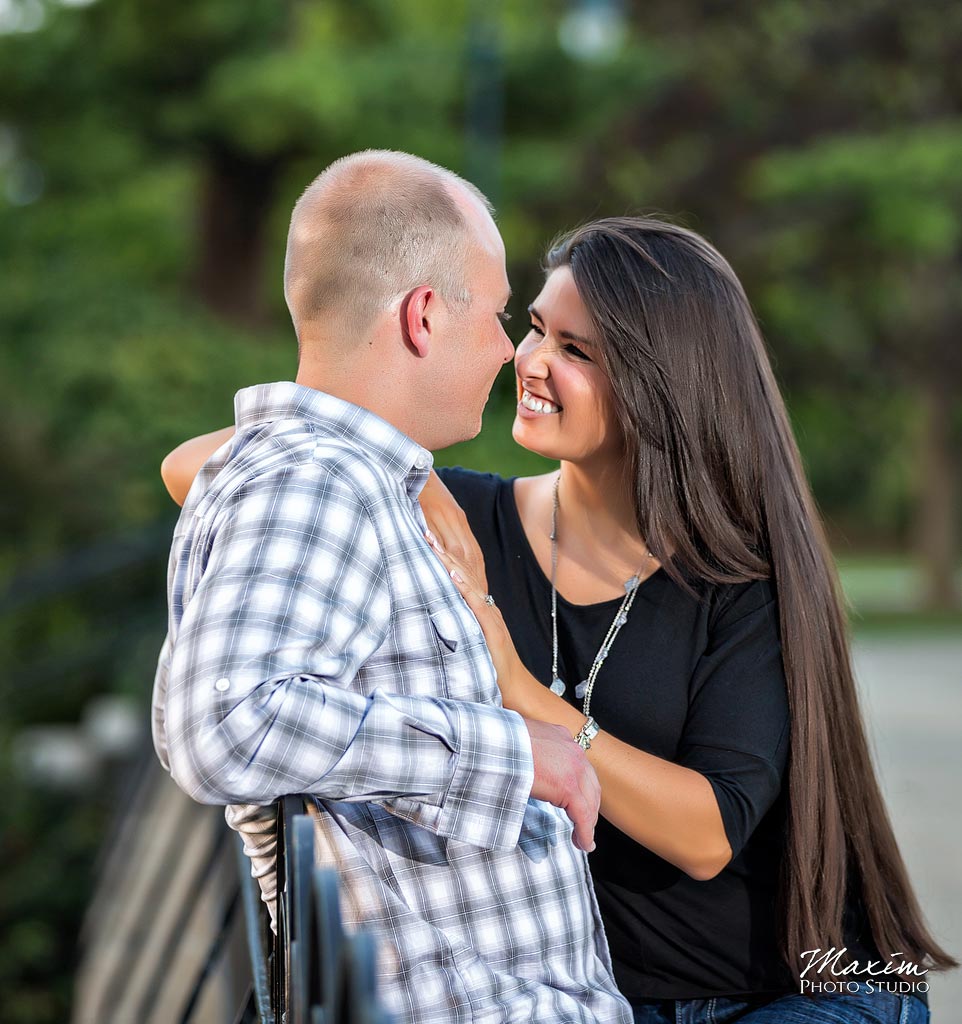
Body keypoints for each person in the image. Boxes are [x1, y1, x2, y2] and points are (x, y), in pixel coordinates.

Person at [164, 216, 955, 1024]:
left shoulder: (743, 576)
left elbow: (708, 831)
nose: (529, 361)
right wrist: (393, 469)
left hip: (776, 995)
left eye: (577, 351)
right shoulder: (454, 517)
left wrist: (518, 690)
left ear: (661, 384)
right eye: (536, 327)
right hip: (586, 998)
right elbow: (188, 465)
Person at [152, 150, 632, 1024]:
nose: (504, 352)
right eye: (492, 316)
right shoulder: (316, 482)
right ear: (422, 316)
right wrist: (514, 754)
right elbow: (221, 719)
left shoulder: (336, 478)